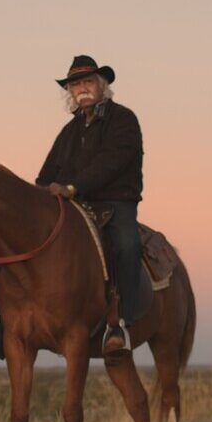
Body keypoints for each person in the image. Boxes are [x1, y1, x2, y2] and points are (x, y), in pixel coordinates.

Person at [38, 55, 149, 353]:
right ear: (70, 92)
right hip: (74, 206)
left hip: (115, 203)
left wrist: (74, 187)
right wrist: (37, 197)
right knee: (22, 237)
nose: (82, 88)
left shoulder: (124, 119)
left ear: (101, 86)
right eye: (75, 84)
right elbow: (46, 174)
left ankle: (120, 325)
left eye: (88, 81)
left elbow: (111, 163)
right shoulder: (69, 132)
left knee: (126, 243)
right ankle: (0, 317)